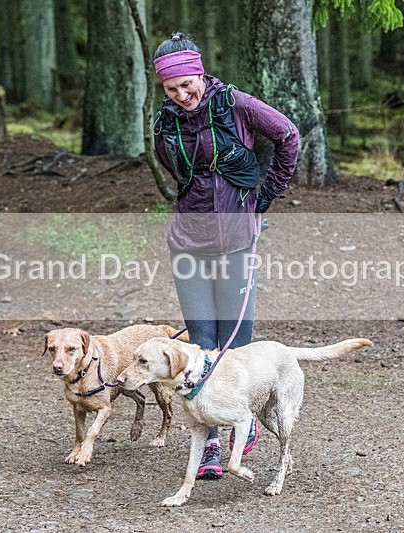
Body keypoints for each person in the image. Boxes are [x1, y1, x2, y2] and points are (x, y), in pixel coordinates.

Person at [152, 32, 300, 480]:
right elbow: (177, 175)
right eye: (172, 89)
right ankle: (210, 443)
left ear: (200, 72)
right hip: (188, 244)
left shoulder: (234, 104)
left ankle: (242, 423)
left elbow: (288, 137)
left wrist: (261, 201)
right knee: (200, 344)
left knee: (234, 347)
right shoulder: (166, 124)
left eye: (187, 83)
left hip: (237, 241)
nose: (183, 94)